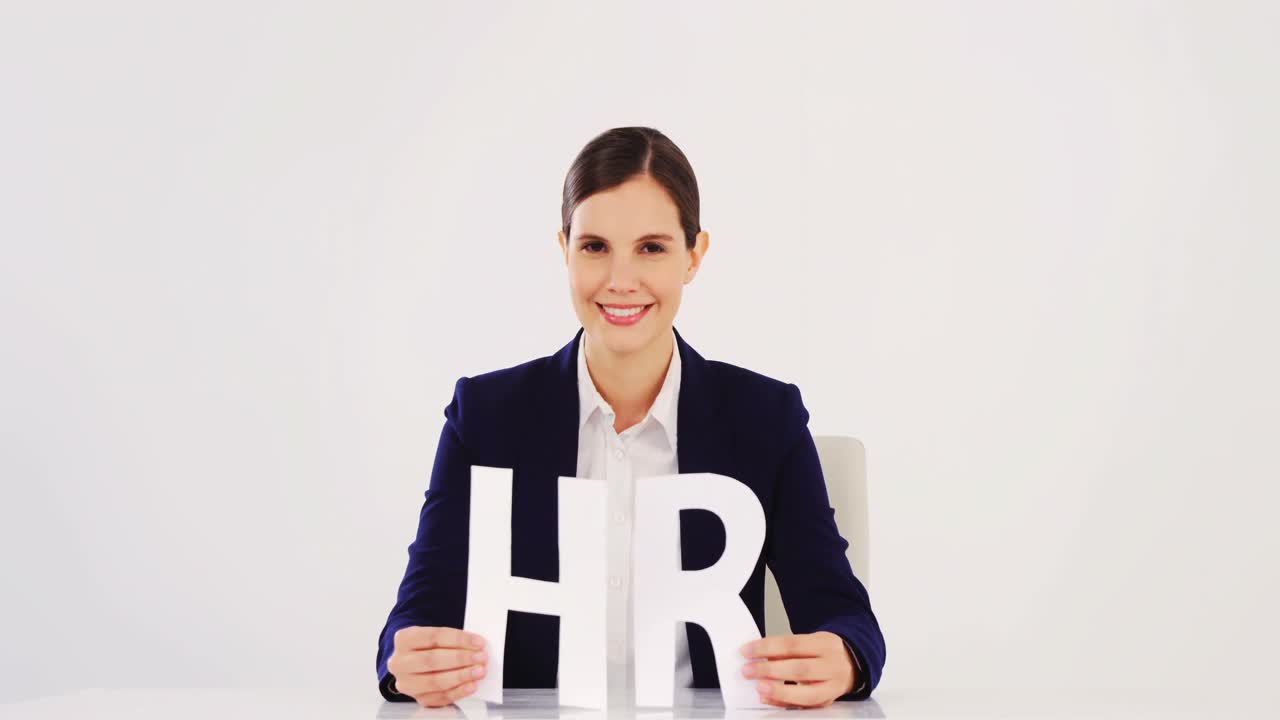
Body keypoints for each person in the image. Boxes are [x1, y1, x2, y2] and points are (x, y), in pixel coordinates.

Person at [375, 127, 885, 709]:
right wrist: (407, 661)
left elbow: (846, 616)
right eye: (594, 247)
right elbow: (412, 620)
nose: (620, 280)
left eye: (652, 247)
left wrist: (845, 658)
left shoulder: (766, 419)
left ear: (694, 255)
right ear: (563, 248)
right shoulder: (484, 417)